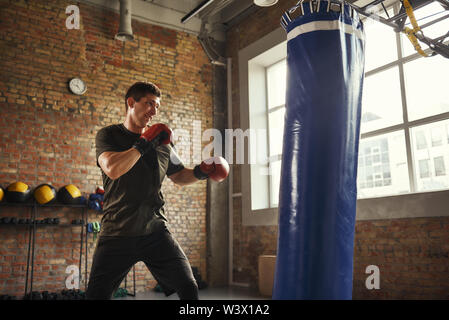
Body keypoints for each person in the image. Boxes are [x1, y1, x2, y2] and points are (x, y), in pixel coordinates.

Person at [86, 81, 229, 300]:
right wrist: (144, 144)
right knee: (96, 296)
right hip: (117, 232)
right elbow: (112, 169)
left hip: (155, 230)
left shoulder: (163, 144)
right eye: (149, 104)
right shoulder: (109, 135)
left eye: (157, 107)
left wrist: (202, 171)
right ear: (131, 103)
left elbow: (179, 175)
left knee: (189, 287)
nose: (154, 111)